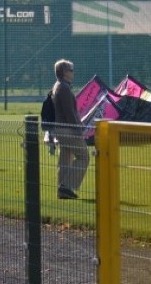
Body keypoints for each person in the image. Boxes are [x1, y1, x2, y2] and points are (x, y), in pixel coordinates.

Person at [52, 59, 89, 199]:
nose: (73, 73)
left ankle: (62, 191)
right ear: (64, 72)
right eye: (71, 70)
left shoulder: (58, 86)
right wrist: (78, 129)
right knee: (83, 156)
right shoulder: (64, 88)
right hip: (67, 130)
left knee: (65, 158)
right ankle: (66, 187)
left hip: (60, 129)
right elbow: (69, 113)